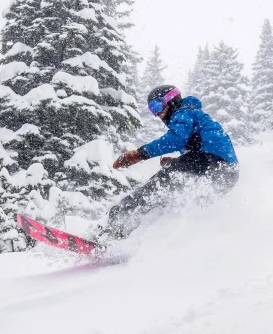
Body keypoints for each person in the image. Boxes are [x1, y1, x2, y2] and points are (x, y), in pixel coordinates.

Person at [102, 84, 239, 240]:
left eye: (157, 106)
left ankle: (115, 228)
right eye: (152, 110)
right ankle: (153, 241)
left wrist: (139, 154)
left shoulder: (185, 112)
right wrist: (177, 161)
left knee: (155, 188)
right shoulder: (193, 116)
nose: (157, 114)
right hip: (226, 174)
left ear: (171, 100)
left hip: (212, 162)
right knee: (173, 202)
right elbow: (196, 145)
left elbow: (175, 139)